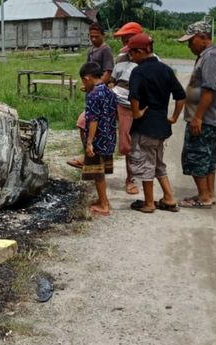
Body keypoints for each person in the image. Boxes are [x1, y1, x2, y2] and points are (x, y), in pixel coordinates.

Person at [126, 33, 186, 213]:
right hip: (161, 127)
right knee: (158, 163)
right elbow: (181, 96)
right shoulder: (166, 69)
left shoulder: (138, 71)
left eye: (132, 53)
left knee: (145, 164)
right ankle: (169, 197)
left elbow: (134, 96)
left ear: (141, 51)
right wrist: (174, 117)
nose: (131, 57)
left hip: (145, 127)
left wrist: (136, 113)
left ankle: (149, 203)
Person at [177, 21, 216, 209]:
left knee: (195, 155)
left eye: (191, 41)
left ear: (202, 37)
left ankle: (203, 196)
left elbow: (209, 89)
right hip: (209, 118)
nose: (189, 46)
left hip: (206, 119)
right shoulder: (206, 55)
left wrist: (197, 117)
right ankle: (208, 193)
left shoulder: (211, 57)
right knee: (207, 156)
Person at [67, 23, 115, 169]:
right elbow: (88, 69)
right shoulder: (91, 50)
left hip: (99, 92)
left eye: (96, 36)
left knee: (87, 122)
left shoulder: (106, 50)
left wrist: (97, 86)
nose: (93, 39)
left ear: (103, 35)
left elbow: (108, 71)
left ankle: (89, 155)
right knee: (92, 125)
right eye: (91, 36)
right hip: (93, 89)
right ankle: (94, 157)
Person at [79, 61, 118, 216]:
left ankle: (103, 204)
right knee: (100, 169)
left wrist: (89, 142)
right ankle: (104, 200)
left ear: (87, 78)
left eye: (83, 81)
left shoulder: (93, 95)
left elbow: (93, 119)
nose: (83, 84)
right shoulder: (110, 92)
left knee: (97, 172)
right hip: (109, 135)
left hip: (97, 138)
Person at [111, 22, 145, 195]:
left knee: (128, 144)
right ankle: (95, 163)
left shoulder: (148, 59)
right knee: (85, 121)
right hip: (116, 100)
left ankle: (131, 179)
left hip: (131, 106)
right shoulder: (122, 56)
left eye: (128, 39)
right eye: (123, 40)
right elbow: (114, 78)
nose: (125, 43)